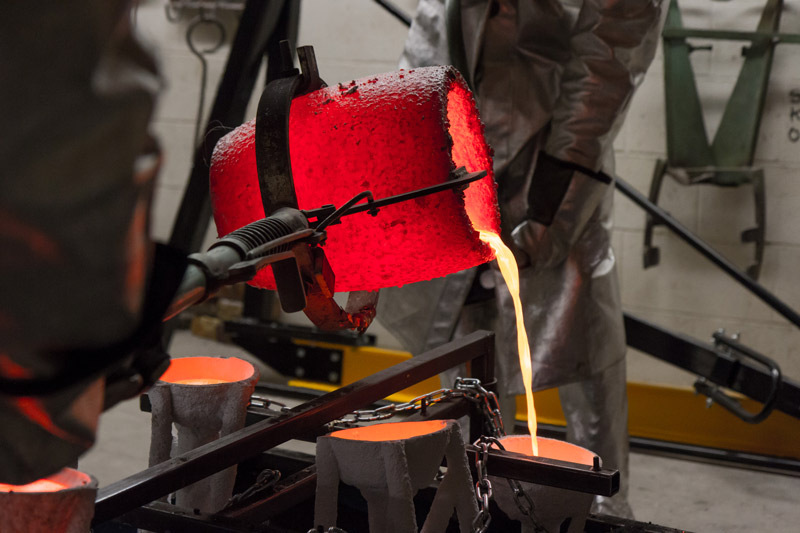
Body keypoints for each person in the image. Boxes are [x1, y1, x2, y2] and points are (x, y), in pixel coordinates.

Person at [378, 0, 665, 517]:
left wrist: (551, 208)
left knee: (582, 347)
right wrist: (411, 158)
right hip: (462, 158)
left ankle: (603, 514)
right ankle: (481, 505)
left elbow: (607, 61)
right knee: (465, 342)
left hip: (552, 162)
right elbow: (428, 41)